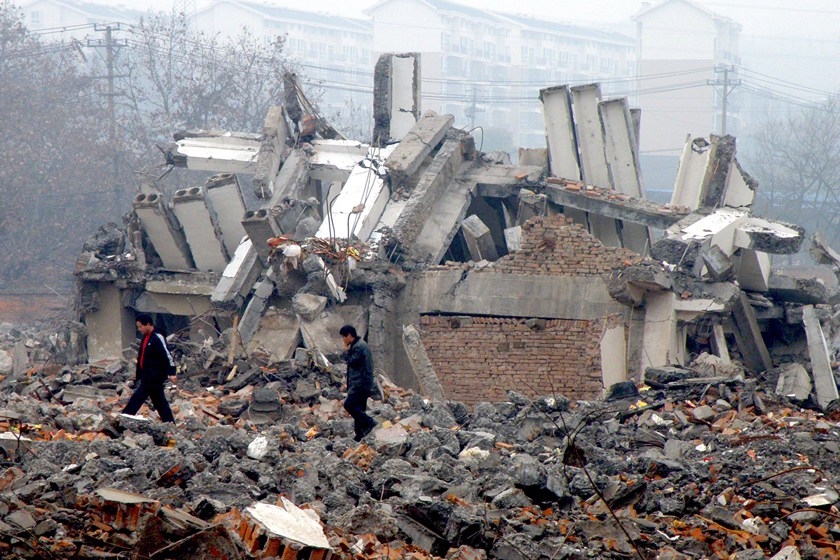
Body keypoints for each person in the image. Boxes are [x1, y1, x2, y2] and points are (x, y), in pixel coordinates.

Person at [122, 313, 177, 423]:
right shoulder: (146, 337)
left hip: (154, 376)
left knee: (137, 398)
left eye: (140, 326)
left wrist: (172, 372)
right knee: (160, 402)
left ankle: (124, 419)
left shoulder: (157, 336)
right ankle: (170, 424)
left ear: (148, 324)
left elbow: (167, 355)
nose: (139, 329)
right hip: (147, 376)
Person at [340, 324, 376, 442]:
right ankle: (359, 435)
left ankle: (369, 422)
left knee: (349, 405)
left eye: (344, 337)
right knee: (358, 408)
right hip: (363, 382)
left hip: (360, 383)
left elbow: (352, 362)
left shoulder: (358, 347)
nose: (343, 340)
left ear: (350, 335)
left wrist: (345, 352)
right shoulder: (359, 345)